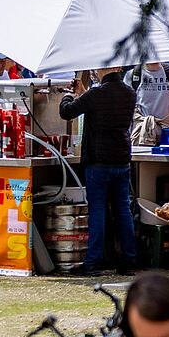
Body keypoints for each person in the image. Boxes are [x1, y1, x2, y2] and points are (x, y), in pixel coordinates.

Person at [59, 68, 137, 276]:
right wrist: (83, 93)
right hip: (122, 159)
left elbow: (66, 111)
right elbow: (94, 104)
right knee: (123, 211)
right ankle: (128, 260)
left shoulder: (96, 94)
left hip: (98, 161)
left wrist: (69, 94)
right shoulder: (129, 93)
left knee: (98, 211)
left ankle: (93, 262)